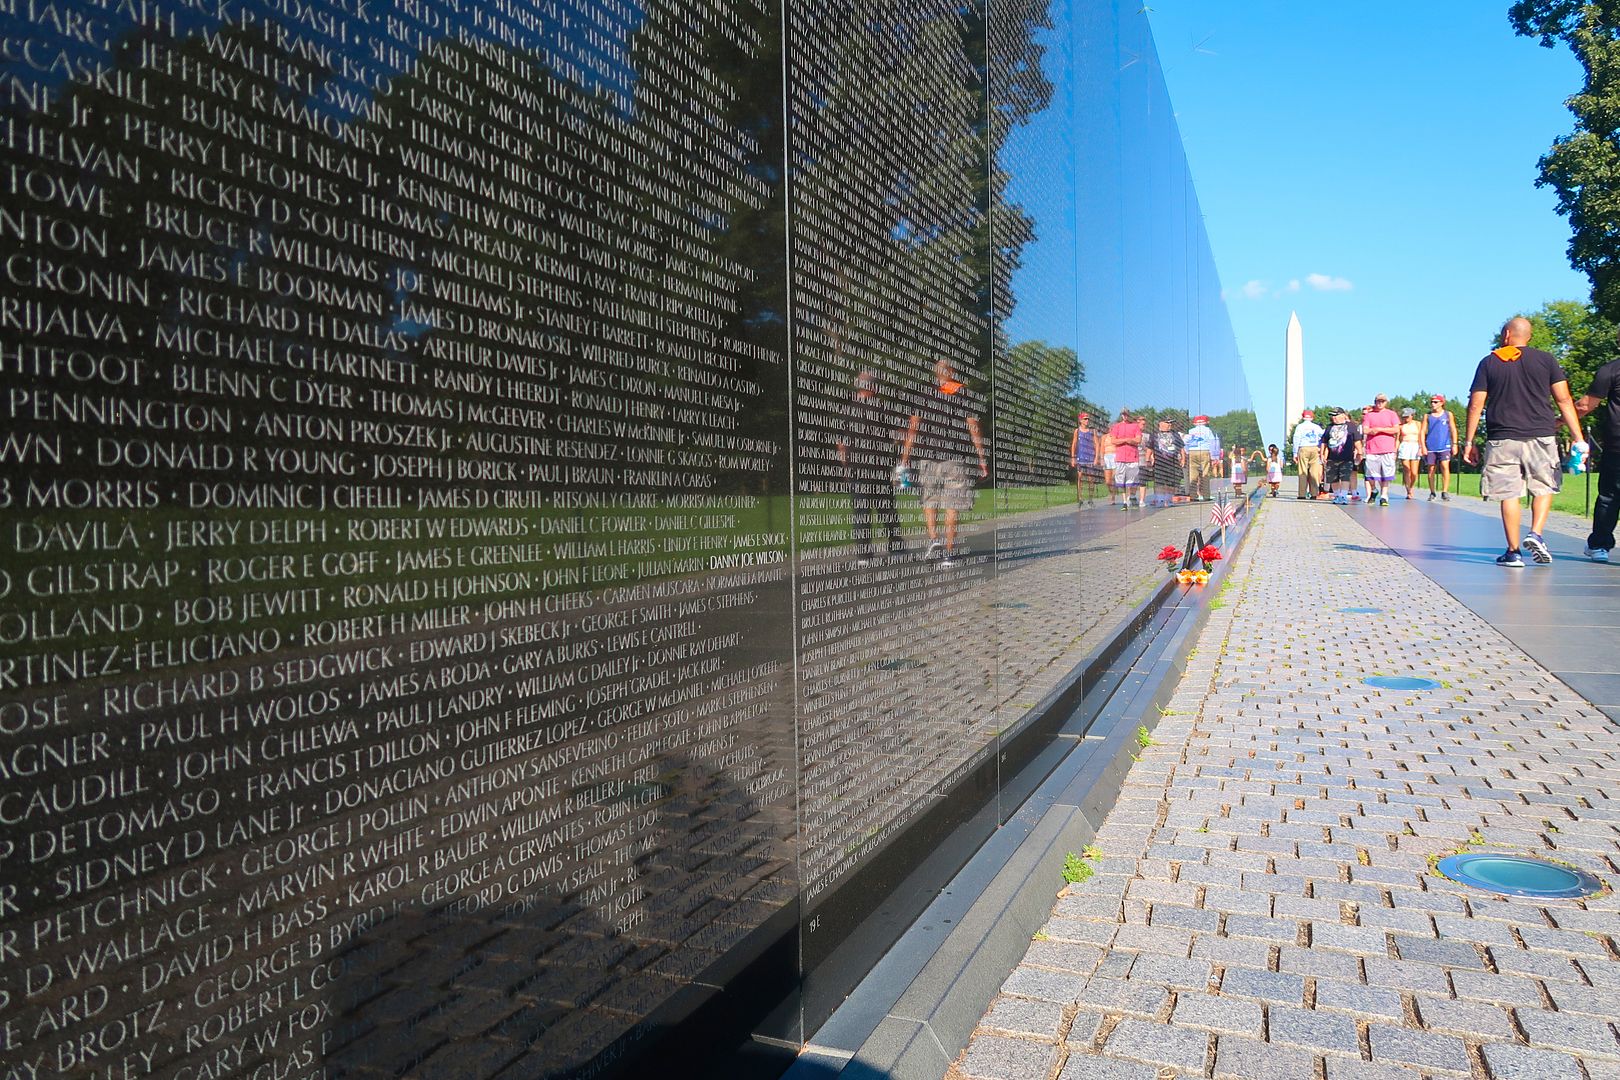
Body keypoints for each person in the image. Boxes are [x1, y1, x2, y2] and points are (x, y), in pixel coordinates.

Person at [1463, 316, 1588, 567]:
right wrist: (1578, 436)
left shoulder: (1489, 362)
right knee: (1543, 486)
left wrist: (1469, 441)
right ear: (1528, 337)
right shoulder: (1547, 360)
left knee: (1509, 494)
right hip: (1541, 434)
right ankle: (1536, 533)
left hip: (1502, 437)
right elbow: (1564, 400)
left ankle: (1513, 552)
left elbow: (1476, 404)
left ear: (1507, 334)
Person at [902, 358, 988, 568]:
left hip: (927, 458)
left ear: (936, 373)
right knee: (952, 506)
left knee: (930, 502)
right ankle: (948, 554)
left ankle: (934, 540)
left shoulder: (925, 395)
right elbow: (973, 427)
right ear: (953, 372)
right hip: (954, 458)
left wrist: (905, 458)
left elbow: (913, 428)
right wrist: (981, 459)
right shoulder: (963, 393)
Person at [838, 370, 905, 566]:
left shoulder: (847, 411)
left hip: (857, 470)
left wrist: (845, 468)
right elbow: (899, 436)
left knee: (861, 513)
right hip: (879, 468)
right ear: (874, 388)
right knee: (887, 511)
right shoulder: (883, 409)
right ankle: (896, 548)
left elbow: (841, 445)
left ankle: (864, 556)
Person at [1575, 352, 1620, 562]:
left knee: (1609, 497)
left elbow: (1585, 405)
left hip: (1616, 445)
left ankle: (1599, 545)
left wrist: (1560, 420)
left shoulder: (1611, 369)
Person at [1361, 395, 1400, 506]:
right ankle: (1373, 489)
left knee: (1386, 473)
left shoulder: (1391, 414)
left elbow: (1396, 429)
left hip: (1387, 448)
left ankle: (1384, 495)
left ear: (1386, 402)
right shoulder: (1369, 415)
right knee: (1371, 473)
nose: (1380, 403)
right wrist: (1372, 431)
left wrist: (1381, 430)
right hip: (1372, 448)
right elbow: (1365, 429)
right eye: (1378, 401)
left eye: (1382, 401)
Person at [1422, 395, 1458, 501]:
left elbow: (1453, 429)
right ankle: (1432, 492)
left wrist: (1454, 444)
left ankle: (1444, 491)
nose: (1433, 404)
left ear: (1442, 403)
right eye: (1432, 402)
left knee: (1445, 466)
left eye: (1436, 402)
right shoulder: (1427, 416)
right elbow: (1422, 431)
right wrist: (1422, 446)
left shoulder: (1447, 414)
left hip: (1444, 445)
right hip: (1431, 446)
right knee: (1431, 468)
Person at [1108, 407, 1145, 509]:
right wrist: (1126, 440)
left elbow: (1138, 440)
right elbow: (1114, 441)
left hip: (1132, 457)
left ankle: (1132, 496)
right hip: (1120, 457)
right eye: (1123, 414)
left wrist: (1128, 440)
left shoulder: (1135, 426)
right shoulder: (1116, 426)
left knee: (1132, 480)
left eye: (1126, 414)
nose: (1125, 416)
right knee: (1121, 480)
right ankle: (1125, 501)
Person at [1322, 409, 1361, 500]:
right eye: (1332, 416)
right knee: (1333, 477)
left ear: (1343, 415)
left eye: (1335, 415)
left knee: (1345, 477)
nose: (1333, 417)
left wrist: (1359, 452)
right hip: (1332, 457)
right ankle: (1336, 495)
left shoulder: (1350, 426)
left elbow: (1357, 440)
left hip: (1347, 457)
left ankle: (1343, 495)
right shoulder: (1329, 427)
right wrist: (1323, 454)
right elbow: (1325, 442)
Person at [1070, 410, 1105, 505]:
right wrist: (1073, 457)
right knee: (1080, 477)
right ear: (1080, 420)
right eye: (1085, 419)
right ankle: (1080, 498)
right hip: (1080, 457)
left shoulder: (1092, 431)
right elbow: (1074, 444)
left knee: (1091, 478)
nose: (1087, 421)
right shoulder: (1077, 431)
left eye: (1088, 419)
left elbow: (1097, 444)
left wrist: (1096, 458)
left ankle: (1090, 498)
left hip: (1090, 457)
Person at [1149, 416, 1185, 507]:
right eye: (1167, 422)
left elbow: (1181, 448)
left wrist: (1183, 458)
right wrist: (1148, 459)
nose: (1170, 425)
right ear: (1161, 423)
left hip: (1173, 462)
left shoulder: (1175, 434)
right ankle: (1160, 500)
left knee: (1171, 482)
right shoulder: (1154, 434)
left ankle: (1168, 500)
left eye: (1170, 423)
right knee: (1160, 482)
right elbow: (1150, 448)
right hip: (1159, 462)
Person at [1291, 409, 1324, 499]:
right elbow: (1323, 435)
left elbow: (1296, 439)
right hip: (1314, 448)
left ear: (1303, 417)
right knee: (1314, 471)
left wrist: (1295, 453)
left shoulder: (1300, 427)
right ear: (1312, 417)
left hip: (1303, 448)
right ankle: (1314, 493)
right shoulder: (1316, 427)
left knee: (1303, 472)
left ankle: (1302, 494)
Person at [1184, 414, 1216, 500]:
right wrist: (1213, 456)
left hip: (1192, 451)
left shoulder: (1191, 431)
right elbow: (1212, 442)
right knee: (1205, 473)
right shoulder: (1208, 430)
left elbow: (1186, 442)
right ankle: (1206, 495)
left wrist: (1187, 452)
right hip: (1204, 450)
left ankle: (1193, 495)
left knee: (1193, 473)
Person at [1397, 407, 1423, 499]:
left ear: (1412, 415)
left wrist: (1421, 447)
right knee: (1406, 469)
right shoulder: (1401, 426)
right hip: (1405, 445)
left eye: (1407, 416)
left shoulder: (1418, 424)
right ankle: (1408, 490)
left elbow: (1421, 436)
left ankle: (1411, 486)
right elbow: (1397, 439)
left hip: (1415, 445)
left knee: (1414, 472)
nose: (1406, 418)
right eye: (1404, 417)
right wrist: (1395, 450)